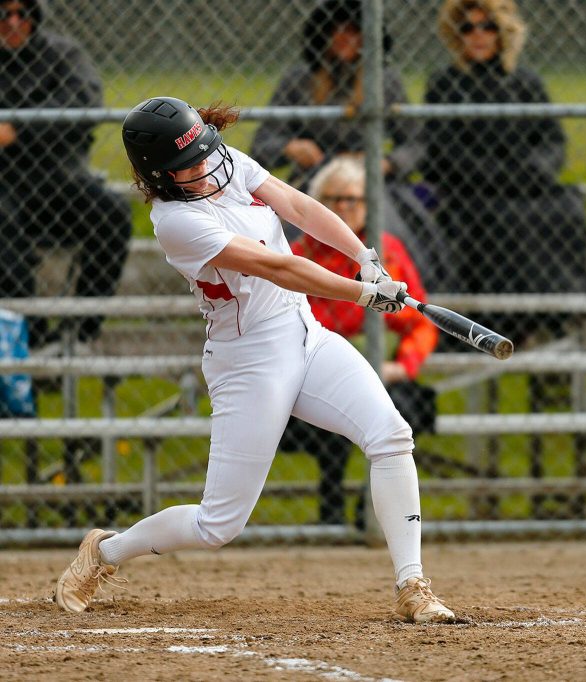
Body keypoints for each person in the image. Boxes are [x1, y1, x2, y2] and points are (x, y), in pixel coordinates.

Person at [53, 96, 455, 625]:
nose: (204, 166)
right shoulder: (175, 221)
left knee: (391, 435)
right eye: (186, 164)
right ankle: (105, 551)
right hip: (247, 361)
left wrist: (365, 258)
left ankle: (413, 585)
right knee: (217, 526)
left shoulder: (230, 164)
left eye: (204, 152)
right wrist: (359, 294)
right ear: (159, 175)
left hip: (305, 334)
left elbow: (301, 208)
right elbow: (276, 267)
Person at [421, 0, 586, 347]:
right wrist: (500, 175)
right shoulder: (447, 84)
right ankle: (510, 321)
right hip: (472, 189)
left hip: (526, 182)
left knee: (568, 206)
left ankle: (558, 312)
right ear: (457, 35)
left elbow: (552, 140)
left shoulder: (524, 82)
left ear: (502, 33)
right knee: (503, 218)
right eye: (468, 28)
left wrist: (533, 171)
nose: (479, 35)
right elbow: (445, 149)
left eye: (488, 27)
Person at [280, 155, 438, 526]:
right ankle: (331, 510)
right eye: (333, 201)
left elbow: (420, 324)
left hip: (374, 372)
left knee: (392, 411)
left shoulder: (385, 254)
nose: (345, 209)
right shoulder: (298, 257)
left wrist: (403, 365)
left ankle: (375, 515)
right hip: (309, 372)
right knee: (333, 413)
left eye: (354, 200)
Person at [251, 0, 447, 290]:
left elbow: (416, 144)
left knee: (398, 228)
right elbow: (263, 143)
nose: (345, 39)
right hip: (317, 178)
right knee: (294, 224)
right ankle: (295, 291)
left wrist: (388, 163)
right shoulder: (300, 80)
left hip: (367, 179)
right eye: (336, 31)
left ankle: (397, 294)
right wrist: (292, 147)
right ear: (322, 36)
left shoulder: (383, 80)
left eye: (354, 31)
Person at [0, 0, 131, 352]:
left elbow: (84, 102)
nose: (14, 22)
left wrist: (19, 130)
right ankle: (32, 336)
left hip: (59, 179)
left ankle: (79, 334)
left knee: (112, 214)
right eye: (4, 13)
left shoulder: (60, 54)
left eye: (22, 13)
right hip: (4, 185)